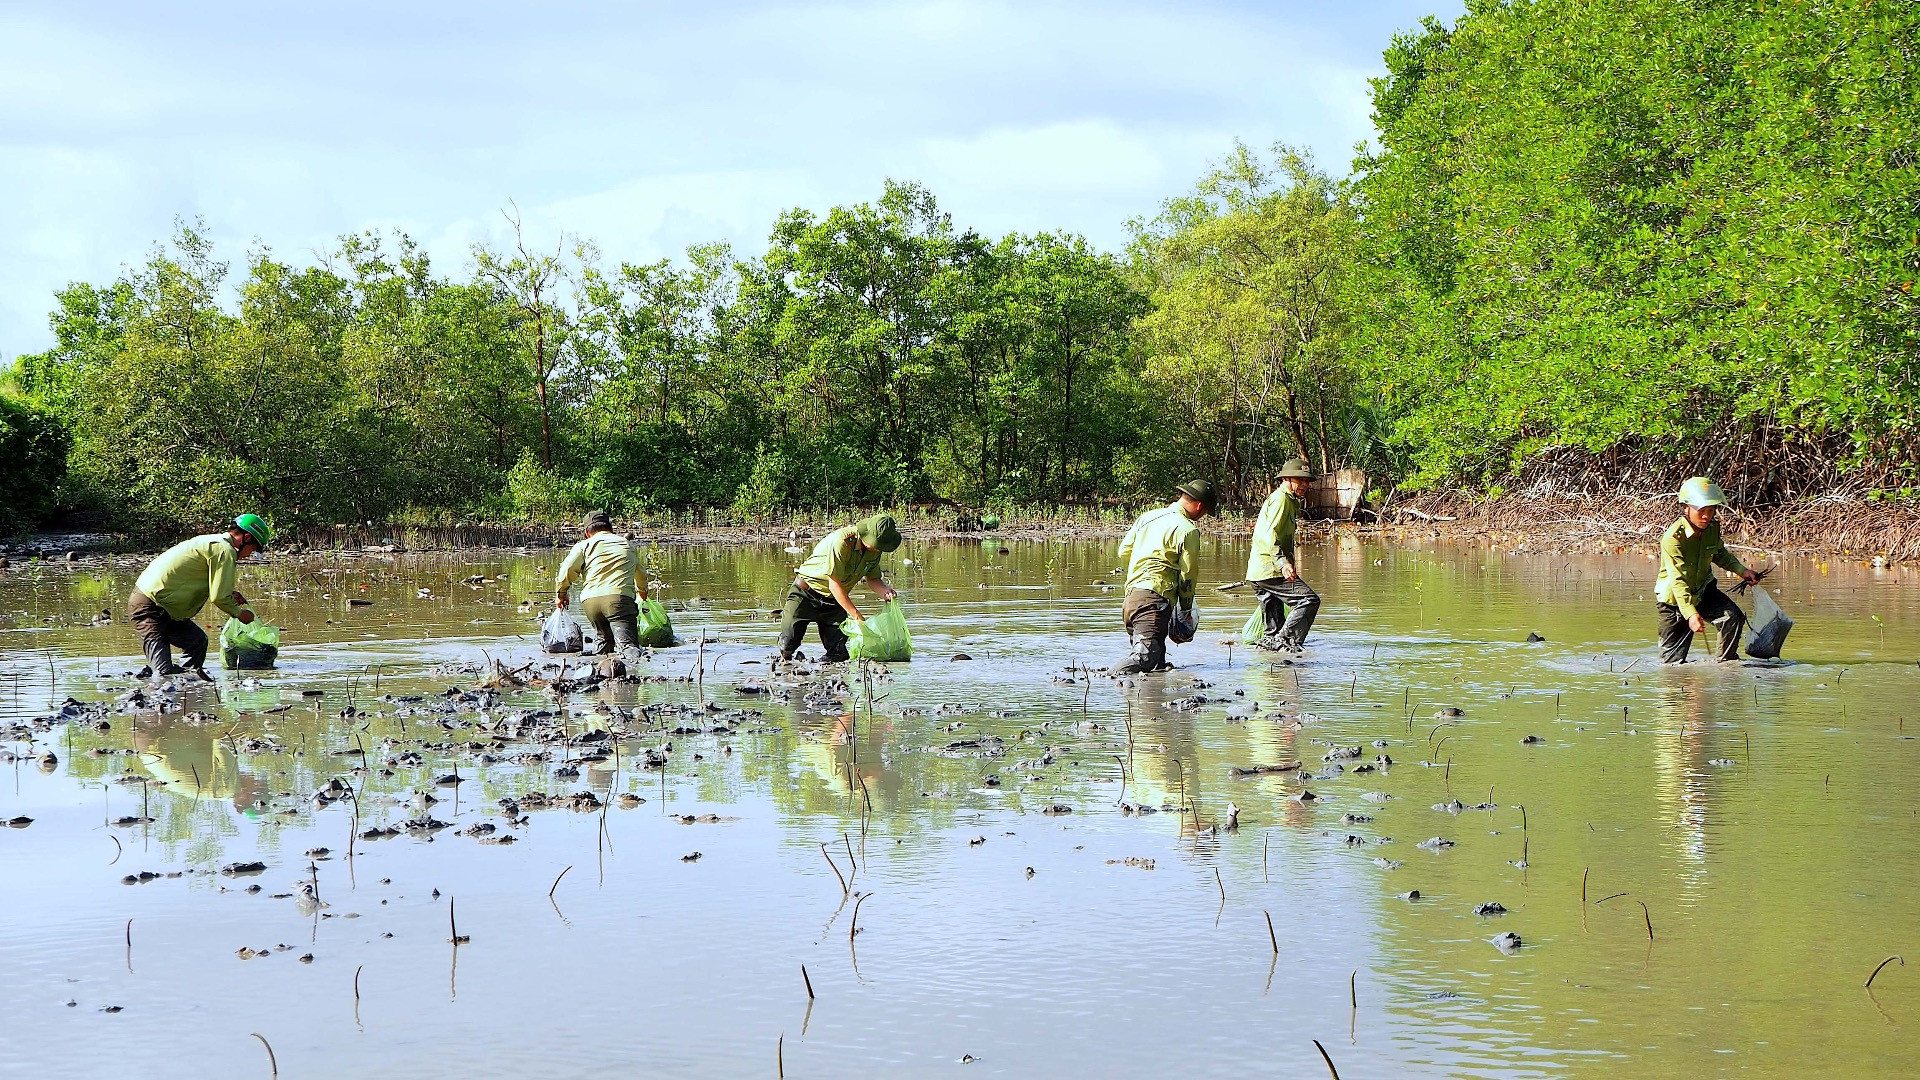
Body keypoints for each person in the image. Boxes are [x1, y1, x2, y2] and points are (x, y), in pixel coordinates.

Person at [129, 514, 270, 680]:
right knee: (163, 674)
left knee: (197, 641)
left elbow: (199, 578)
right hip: (150, 607)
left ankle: (187, 684)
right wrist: (239, 614)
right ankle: (164, 687)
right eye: (253, 549)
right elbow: (218, 597)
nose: (249, 554)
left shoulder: (215, 543)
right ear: (246, 538)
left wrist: (230, 594)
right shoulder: (225, 550)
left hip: (163, 607)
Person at [1113, 480, 1214, 674]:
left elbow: (1124, 551)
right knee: (1144, 659)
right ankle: (1105, 681)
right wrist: (1186, 609)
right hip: (1153, 601)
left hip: (1131, 599)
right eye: (1205, 512)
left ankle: (1146, 694)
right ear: (1200, 506)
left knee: (1157, 663)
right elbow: (1188, 576)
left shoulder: (1147, 518)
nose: (1202, 517)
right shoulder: (1188, 530)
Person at [1656, 477, 1760, 663]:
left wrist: (1742, 571)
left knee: (1732, 618)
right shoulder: (1673, 538)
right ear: (1686, 508)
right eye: (1701, 511)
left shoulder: (1711, 528)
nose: (1706, 516)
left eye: (1711, 511)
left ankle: (1726, 666)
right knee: (1672, 664)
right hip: (1675, 600)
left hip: (1704, 589)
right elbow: (1678, 580)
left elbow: (1719, 553)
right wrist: (1690, 614)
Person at [778, 513, 901, 663]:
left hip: (834, 602)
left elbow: (873, 578)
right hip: (805, 593)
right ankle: (785, 664)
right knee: (788, 643)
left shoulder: (875, 550)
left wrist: (885, 592)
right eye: (877, 544)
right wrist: (856, 615)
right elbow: (834, 584)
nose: (878, 549)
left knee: (838, 654)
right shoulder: (842, 541)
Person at [1247, 457, 1321, 651]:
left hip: (1259, 572)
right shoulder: (1281, 499)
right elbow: (1269, 534)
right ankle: (1286, 642)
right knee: (1308, 600)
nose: (1304, 484)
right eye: (1300, 480)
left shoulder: (1286, 499)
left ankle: (1275, 655)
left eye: (1307, 480)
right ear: (1286, 479)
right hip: (1270, 570)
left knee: (1272, 633)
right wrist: (1282, 563)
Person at [555, 510, 647, 656]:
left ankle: (600, 666)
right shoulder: (626, 544)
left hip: (591, 603)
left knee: (604, 643)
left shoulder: (583, 545)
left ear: (587, 532)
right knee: (628, 647)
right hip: (619, 601)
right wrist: (642, 591)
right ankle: (633, 667)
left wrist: (561, 594)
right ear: (611, 528)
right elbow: (641, 574)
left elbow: (567, 569)